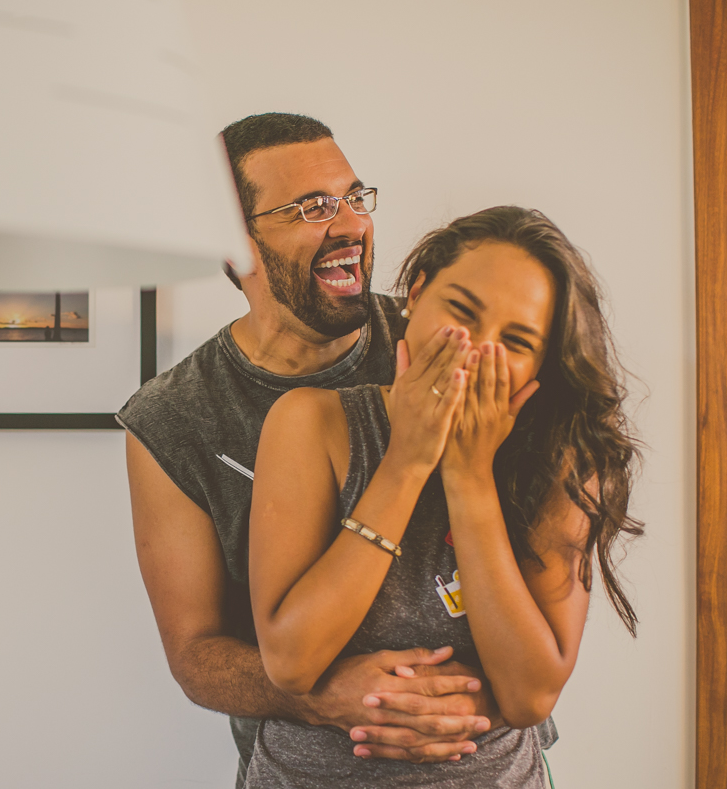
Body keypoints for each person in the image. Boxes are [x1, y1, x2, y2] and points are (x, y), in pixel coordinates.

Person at [118, 113, 554, 786]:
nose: (351, 223)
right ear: (236, 245)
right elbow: (195, 655)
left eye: (354, 197)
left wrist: (461, 705)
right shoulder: (174, 419)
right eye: (313, 207)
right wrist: (320, 698)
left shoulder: (448, 333)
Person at [244, 206, 643, 787]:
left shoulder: (566, 464)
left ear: (541, 365)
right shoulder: (311, 424)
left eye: (516, 340)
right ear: (418, 291)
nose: (476, 352)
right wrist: (406, 461)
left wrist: (469, 475)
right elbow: (291, 662)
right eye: (462, 312)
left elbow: (530, 694)